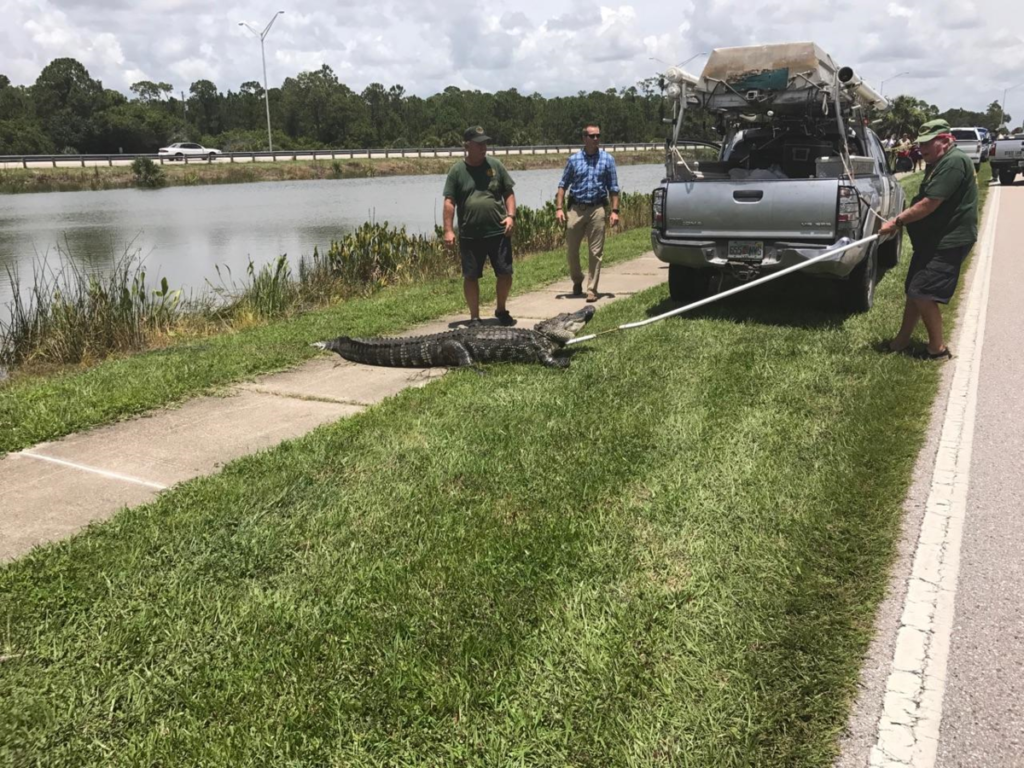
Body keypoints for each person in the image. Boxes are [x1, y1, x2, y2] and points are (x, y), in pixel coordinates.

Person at [880, 119, 978, 360]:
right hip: (932, 240)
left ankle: (937, 349)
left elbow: (929, 204)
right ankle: (901, 342)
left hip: (948, 240)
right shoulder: (939, 161)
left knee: (922, 293)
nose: (921, 149)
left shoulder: (953, 163)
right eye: (920, 143)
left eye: (927, 143)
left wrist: (897, 222)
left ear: (945, 140)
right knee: (914, 289)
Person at [443, 126, 517, 326]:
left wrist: (511, 216)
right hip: (470, 234)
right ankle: (474, 317)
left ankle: (501, 310)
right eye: (479, 143)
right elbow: (449, 202)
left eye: (485, 143)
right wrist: (449, 230)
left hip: (498, 230)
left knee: (505, 273)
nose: (484, 147)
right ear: (467, 146)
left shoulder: (496, 165)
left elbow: (508, 192)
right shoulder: (457, 171)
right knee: (471, 276)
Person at [555, 124, 621, 302]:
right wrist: (559, 208)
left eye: (598, 136)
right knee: (572, 250)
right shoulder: (574, 160)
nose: (596, 139)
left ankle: (592, 289)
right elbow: (563, 185)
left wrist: (614, 211)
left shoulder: (608, 160)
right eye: (592, 136)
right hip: (576, 209)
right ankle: (577, 279)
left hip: (597, 209)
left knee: (596, 251)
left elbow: (613, 187)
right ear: (584, 138)